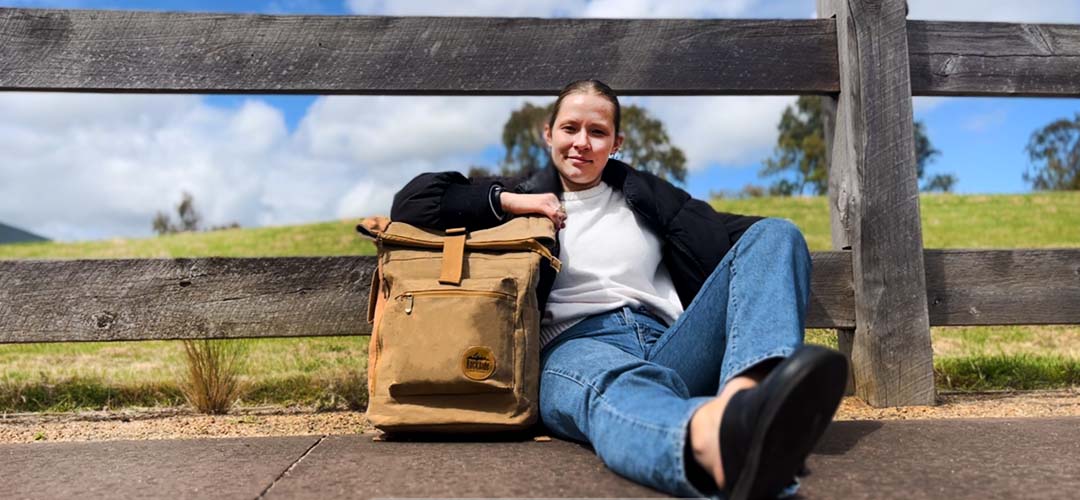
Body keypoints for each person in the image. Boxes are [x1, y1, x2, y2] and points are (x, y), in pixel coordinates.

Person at [390, 79, 847, 500]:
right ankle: (713, 440)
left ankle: (747, 405)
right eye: (570, 128)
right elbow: (413, 203)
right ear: (548, 134)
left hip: (672, 343)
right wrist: (508, 201)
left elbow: (758, 247)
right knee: (616, 386)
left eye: (597, 131)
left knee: (777, 235)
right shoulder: (519, 197)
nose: (581, 143)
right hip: (575, 347)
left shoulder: (656, 200)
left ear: (617, 142)